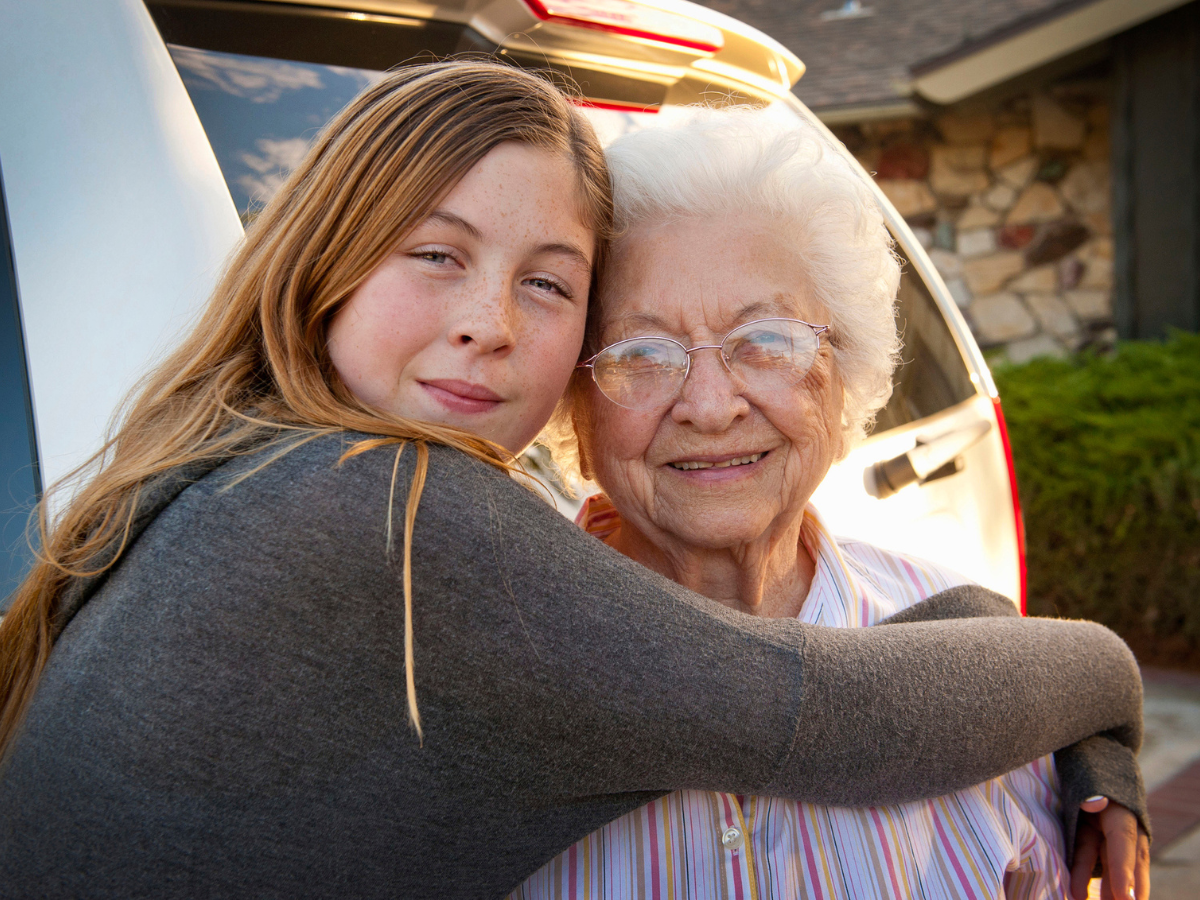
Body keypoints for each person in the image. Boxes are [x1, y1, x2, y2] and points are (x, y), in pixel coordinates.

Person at [0, 60, 1143, 899]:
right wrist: (1105, 679)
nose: (489, 324)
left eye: (547, 284)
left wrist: (1054, 710)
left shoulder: (237, 476)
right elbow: (825, 711)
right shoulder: (375, 511)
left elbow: (817, 674)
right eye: (435, 253)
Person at [516, 107, 1148, 900]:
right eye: (642, 354)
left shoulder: (985, 664)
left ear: (843, 366)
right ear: (576, 401)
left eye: (768, 341)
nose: (710, 408)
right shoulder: (493, 672)